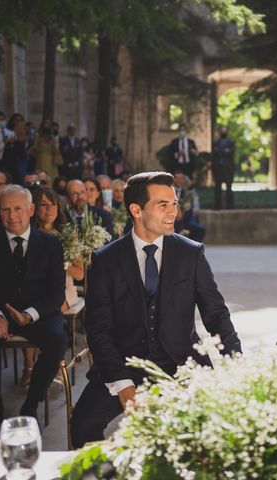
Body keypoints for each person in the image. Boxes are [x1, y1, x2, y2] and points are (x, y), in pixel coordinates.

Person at [70, 171, 242, 447]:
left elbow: (216, 315)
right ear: (136, 210)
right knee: (83, 423)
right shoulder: (105, 260)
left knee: (215, 424)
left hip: (181, 365)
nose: (173, 211)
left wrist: (235, 360)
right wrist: (122, 383)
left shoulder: (191, 253)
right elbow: (98, 330)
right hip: (123, 366)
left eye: (174, 203)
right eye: (163, 205)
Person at [0, 184, 67, 450]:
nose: (12, 216)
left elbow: (57, 293)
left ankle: (30, 405)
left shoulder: (51, 244)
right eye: (5, 210)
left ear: (31, 210)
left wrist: (29, 315)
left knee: (58, 341)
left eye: (18, 209)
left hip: (37, 314)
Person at [21, 187, 85, 387]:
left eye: (53, 204)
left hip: (63, 288)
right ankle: (30, 366)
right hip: (34, 288)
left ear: (59, 207)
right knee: (31, 308)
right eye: (43, 204)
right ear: (34, 208)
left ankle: (53, 366)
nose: (49, 209)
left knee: (48, 310)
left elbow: (80, 273)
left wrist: (60, 264)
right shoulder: (28, 233)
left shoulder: (68, 234)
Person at [173, 171, 205, 242]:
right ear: (174, 179)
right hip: (172, 220)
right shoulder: (169, 191)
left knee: (200, 230)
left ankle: (192, 250)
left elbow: (188, 208)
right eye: (177, 178)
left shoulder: (187, 193)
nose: (179, 180)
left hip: (185, 220)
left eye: (181, 178)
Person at [211, 126, 236, 210]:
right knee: (218, 188)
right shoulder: (215, 143)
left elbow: (231, 152)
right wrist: (224, 151)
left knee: (229, 188)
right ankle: (217, 206)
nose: (223, 132)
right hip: (218, 169)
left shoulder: (231, 143)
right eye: (222, 130)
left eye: (225, 131)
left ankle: (230, 206)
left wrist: (220, 151)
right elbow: (215, 153)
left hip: (228, 170)